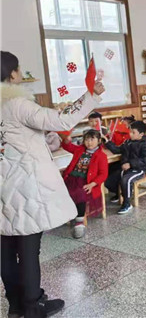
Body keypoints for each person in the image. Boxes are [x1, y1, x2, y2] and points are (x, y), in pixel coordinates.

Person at [1, 50, 105, 317]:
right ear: (13, 74)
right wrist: (90, 96)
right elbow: (61, 120)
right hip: (23, 187)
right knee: (27, 248)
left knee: (5, 249)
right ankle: (32, 306)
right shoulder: (17, 104)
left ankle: (15, 306)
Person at [60, 129, 108, 238]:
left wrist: (93, 184)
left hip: (87, 182)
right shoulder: (80, 149)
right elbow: (67, 146)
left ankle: (79, 221)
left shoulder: (101, 156)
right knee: (61, 191)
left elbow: (103, 174)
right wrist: (66, 140)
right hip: (71, 179)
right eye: (86, 140)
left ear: (99, 141)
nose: (89, 142)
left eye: (92, 139)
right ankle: (68, 214)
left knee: (80, 193)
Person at [103, 121, 146, 214]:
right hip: (126, 169)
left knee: (126, 180)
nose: (130, 134)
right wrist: (107, 142)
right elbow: (117, 150)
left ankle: (127, 203)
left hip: (138, 169)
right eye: (130, 131)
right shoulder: (127, 142)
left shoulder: (145, 144)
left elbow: (145, 160)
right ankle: (119, 194)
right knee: (109, 180)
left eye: (133, 132)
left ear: (141, 134)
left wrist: (130, 164)